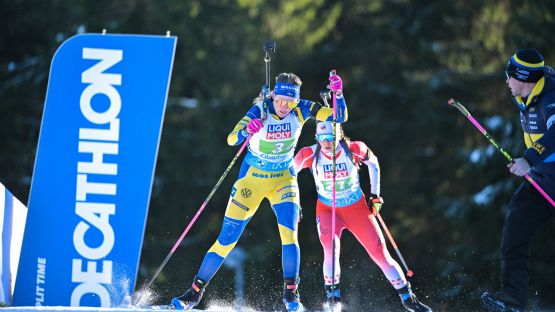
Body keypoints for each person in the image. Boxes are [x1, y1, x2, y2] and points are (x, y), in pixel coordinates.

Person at [170, 72, 348, 311]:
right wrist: (247, 130)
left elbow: (338, 117)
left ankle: (291, 294)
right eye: (280, 100)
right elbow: (232, 139)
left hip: (283, 180)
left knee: (289, 236)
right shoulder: (260, 111)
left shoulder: (302, 109)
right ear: (273, 96)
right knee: (226, 239)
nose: (285, 106)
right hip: (251, 182)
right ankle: (193, 294)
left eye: (290, 101)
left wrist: (338, 94)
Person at [293, 121, 432, 312]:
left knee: (380, 252)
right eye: (322, 138)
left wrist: (375, 195)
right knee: (330, 248)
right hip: (327, 210)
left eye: (331, 138)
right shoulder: (309, 153)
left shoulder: (353, 149)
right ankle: (334, 300)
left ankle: (408, 298)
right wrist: (293, 199)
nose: (327, 143)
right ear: (317, 138)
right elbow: (290, 172)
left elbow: (373, 162)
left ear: (339, 136)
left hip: (356, 208)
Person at [481, 48, 555, 312]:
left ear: (523, 77)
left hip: (546, 174)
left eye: (509, 76)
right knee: (516, 227)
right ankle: (513, 296)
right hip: (541, 181)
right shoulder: (526, 93)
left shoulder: (549, 99)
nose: (506, 82)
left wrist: (528, 159)